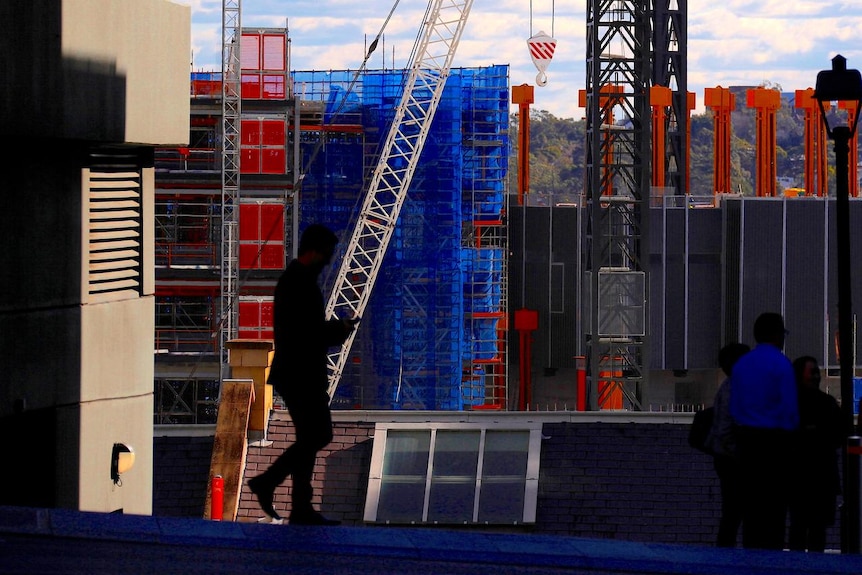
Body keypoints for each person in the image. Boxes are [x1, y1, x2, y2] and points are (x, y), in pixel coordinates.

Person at [248, 224, 357, 525]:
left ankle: (298, 506)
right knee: (318, 435)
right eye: (327, 255)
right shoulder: (301, 284)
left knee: (309, 437)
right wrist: (340, 329)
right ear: (315, 252)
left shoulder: (294, 281)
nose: (328, 261)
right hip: (302, 375)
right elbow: (309, 334)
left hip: (296, 373)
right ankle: (270, 483)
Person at [729, 312, 799, 550]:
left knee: (751, 513)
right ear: (776, 334)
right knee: (774, 513)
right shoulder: (781, 365)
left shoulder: (742, 365)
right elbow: (790, 411)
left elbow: (734, 408)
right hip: (775, 445)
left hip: (746, 444)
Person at [788, 356, 844, 552]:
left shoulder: (791, 405)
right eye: (812, 372)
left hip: (800, 477)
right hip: (822, 477)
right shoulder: (827, 404)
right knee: (816, 531)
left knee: (799, 527)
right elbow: (839, 437)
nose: (815, 377)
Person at [704, 342, 750, 547]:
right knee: (738, 512)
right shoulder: (739, 387)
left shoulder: (728, 386)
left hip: (724, 458)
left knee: (731, 513)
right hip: (734, 460)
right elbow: (733, 429)